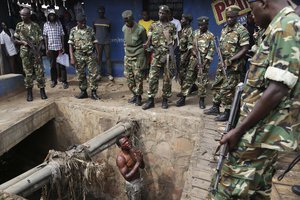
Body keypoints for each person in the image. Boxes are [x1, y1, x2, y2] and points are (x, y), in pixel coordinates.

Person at [209, 0, 300, 199]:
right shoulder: (279, 25)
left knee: (226, 191)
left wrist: (238, 130)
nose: (251, 17)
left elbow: (278, 88)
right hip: (262, 133)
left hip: (257, 133)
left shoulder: (287, 26)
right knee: (258, 191)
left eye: (252, 9)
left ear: (263, 3)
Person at [204, 5, 249, 122]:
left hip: (233, 65)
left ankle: (228, 112)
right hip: (222, 63)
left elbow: (245, 49)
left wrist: (231, 60)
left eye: (232, 17)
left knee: (228, 89)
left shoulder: (242, 30)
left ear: (237, 16)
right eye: (227, 17)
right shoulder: (224, 28)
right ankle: (215, 107)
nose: (229, 20)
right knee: (217, 85)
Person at [142, 5, 176, 110]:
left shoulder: (172, 26)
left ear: (167, 14)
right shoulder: (153, 25)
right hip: (156, 55)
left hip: (167, 56)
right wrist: (147, 44)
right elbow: (149, 39)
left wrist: (170, 54)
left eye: (163, 13)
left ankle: (165, 100)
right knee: (152, 78)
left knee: (167, 79)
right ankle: (150, 100)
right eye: (159, 13)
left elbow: (175, 43)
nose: (160, 14)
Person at [177, 16, 215, 109]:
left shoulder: (210, 36)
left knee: (202, 82)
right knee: (188, 78)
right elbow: (190, 44)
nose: (201, 27)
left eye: (203, 25)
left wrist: (204, 62)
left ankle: (201, 101)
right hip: (193, 60)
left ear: (207, 25)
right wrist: (193, 51)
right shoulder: (195, 33)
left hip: (204, 62)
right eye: (200, 25)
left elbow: (211, 50)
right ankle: (183, 98)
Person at [14, 7, 47, 102]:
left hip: (36, 52)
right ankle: (29, 93)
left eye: (23, 15)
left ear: (28, 15)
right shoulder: (19, 26)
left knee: (39, 72)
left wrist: (38, 51)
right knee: (28, 73)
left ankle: (42, 91)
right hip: (25, 53)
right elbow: (15, 40)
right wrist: (22, 43)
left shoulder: (35, 26)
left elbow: (41, 39)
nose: (22, 16)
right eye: (21, 15)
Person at [68, 14, 100, 100]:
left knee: (93, 74)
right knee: (80, 75)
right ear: (77, 22)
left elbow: (95, 42)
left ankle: (93, 93)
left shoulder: (90, 29)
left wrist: (98, 54)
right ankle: (83, 92)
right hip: (78, 56)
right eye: (81, 23)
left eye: (84, 22)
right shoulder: (73, 31)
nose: (83, 24)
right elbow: (70, 45)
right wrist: (72, 57)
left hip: (90, 55)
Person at [122, 10, 147, 106]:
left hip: (138, 56)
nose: (126, 23)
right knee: (129, 78)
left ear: (132, 19)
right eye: (125, 21)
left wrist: (144, 61)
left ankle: (139, 97)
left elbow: (145, 45)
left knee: (138, 78)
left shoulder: (140, 29)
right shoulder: (124, 28)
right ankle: (134, 94)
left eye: (128, 21)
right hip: (128, 56)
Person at [43, 9, 69, 89]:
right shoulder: (46, 25)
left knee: (62, 65)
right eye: (50, 15)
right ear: (48, 16)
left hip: (59, 48)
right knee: (52, 65)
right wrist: (46, 48)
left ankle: (64, 81)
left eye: (53, 15)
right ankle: (53, 81)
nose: (51, 16)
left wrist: (63, 47)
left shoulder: (59, 24)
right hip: (51, 48)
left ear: (55, 16)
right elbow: (45, 37)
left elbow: (62, 35)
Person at [116, 135, 145, 200]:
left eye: (127, 140)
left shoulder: (132, 151)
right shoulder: (121, 158)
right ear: (120, 146)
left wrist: (141, 159)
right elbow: (126, 176)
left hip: (139, 181)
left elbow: (142, 167)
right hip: (132, 185)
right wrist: (138, 162)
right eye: (124, 143)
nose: (128, 142)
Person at [175, 14, 194, 105]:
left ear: (188, 21)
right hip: (181, 53)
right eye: (181, 18)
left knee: (185, 76)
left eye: (183, 19)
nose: (181, 20)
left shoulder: (190, 30)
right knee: (181, 75)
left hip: (186, 55)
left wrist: (186, 58)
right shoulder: (182, 29)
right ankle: (190, 88)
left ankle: (183, 97)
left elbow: (191, 46)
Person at [93, 6, 113, 81]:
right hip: (98, 43)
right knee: (99, 58)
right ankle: (99, 74)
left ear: (104, 12)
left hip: (106, 42)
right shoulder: (95, 21)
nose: (101, 13)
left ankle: (110, 74)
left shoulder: (108, 21)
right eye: (99, 12)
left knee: (108, 58)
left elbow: (109, 30)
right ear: (98, 12)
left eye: (102, 12)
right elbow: (94, 31)